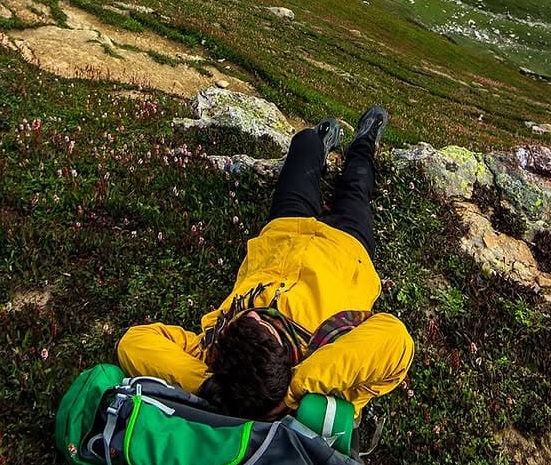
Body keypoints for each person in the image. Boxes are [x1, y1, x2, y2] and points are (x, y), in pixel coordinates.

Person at [117, 106, 414, 427]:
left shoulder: (213, 357)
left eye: (247, 317)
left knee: (305, 143)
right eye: (266, 325)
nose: (256, 313)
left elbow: (133, 343)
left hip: (284, 232)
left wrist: (206, 385)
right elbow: (396, 339)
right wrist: (295, 390)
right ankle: (364, 142)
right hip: (347, 244)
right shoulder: (328, 379)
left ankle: (321, 145)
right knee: (356, 185)